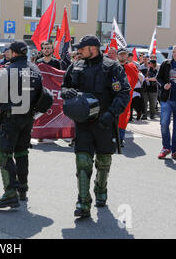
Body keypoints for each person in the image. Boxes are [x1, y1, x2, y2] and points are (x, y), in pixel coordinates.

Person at [61, 35, 130, 218]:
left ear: (92, 48)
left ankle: (101, 190)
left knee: (104, 161)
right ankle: (83, 203)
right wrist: (66, 92)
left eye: (82, 49)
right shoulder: (76, 65)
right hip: (82, 123)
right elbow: (64, 86)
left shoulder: (112, 67)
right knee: (82, 161)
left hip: (104, 123)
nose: (78, 51)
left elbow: (123, 93)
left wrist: (111, 113)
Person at [0, 41, 43, 208]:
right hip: (28, 118)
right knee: (21, 153)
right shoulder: (35, 69)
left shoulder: (9, 70)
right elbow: (42, 94)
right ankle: (23, 190)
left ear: (13, 53)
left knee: (4, 154)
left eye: (8, 51)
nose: (6, 53)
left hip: (11, 118)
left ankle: (10, 192)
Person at [117, 47, 139, 147]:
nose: (122, 56)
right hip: (114, 95)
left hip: (125, 96)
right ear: (118, 56)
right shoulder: (113, 66)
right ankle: (113, 137)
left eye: (124, 54)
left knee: (122, 117)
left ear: (127, 56)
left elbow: (133, 79)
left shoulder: (131, 66)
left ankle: (120, 138)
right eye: (120, 54)